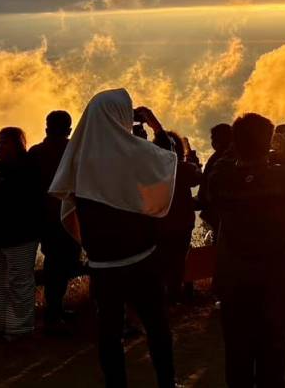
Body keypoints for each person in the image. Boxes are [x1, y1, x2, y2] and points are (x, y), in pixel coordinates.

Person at [49, 89, 179, 388]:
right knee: (157, 325)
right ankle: (166, 382)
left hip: (103, 263)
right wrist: (157, 129)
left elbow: (69, 201)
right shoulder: (135, 153)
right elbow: (168, 161)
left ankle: (116, 384)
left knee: (108, 331)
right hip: (142, 259)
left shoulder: (81, 159)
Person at [208, 113, 285, 387]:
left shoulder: (223, 180)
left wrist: (231, 149)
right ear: (269, 142)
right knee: (273, 352)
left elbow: (211, 178)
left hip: (234, 279)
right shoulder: (284, 177)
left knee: (237, 352)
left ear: (236, 143)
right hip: (275, 280)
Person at [28, 111, 82, 335]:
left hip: (45, 219)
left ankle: (54, 310)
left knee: (54, 264)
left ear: (47, 127)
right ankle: (54, 312)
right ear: (69, 129)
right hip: (71, 216)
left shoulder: (36, 153)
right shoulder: (74, 151)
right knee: (64, 264)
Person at [0, 127, 39, 341]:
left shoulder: (25, 168)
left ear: (19, 145)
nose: (0, 147)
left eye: (5, 142)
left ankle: (18, 329)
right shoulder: (2, 171)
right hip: (0, 237)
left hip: (20, 236)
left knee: (18, 282)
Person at [157, 132, 201, 303]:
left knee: (163, 258)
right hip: (182, 222)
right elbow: (197, 177)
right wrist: (192, 160)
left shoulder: (153, 168)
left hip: (160, 222)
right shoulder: (182, 168)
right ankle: (178, 292)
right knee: (180, 258)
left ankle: (165, 293)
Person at [197, 123, 233, 231]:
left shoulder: (219, 159)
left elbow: (205, 189)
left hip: (221, 212)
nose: (212, 142)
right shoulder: (237, 155)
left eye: (213, 138)